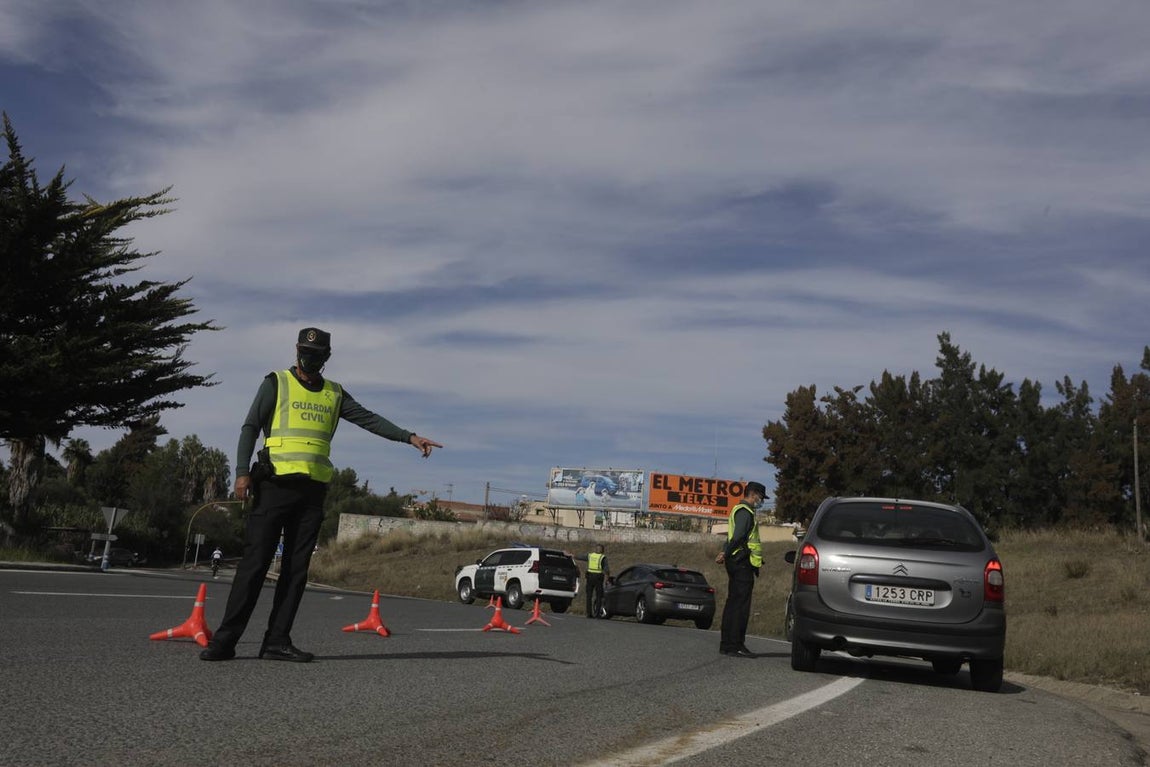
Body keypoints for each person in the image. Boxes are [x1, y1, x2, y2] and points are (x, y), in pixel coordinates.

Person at [200, 327, 442, 662]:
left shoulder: (334, 393)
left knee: (296, 570)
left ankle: (276, 642)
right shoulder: (276, 383)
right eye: (304, 351)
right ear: (296, 350)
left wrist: (409, 436)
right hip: (274, 486)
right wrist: (242, 472)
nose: (309, 358)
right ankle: (224, 641)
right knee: (254, 566)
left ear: (326, 358)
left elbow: (369, 419)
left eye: (316, 354)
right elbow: (250, 427)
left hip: (312, 492)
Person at [715, 481, 767, 657]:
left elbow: (731, 536)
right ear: (753, 494)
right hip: (742, 562)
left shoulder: (738, 510)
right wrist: (726, 552)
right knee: (740, 605)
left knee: (732, 603)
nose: (761, 501)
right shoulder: (745, 512)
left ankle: (727, 644)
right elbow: (737, 537)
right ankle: (735, 644)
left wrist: (724, 552)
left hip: (736, 561)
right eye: (761, 497)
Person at [573, 544, 609, 618]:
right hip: (598, 578)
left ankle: (589, 613)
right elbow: (607, 570)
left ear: (595, 549)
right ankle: (597, 613)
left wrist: (572, 555)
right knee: (599, 596)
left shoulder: (590, 556)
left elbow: (580, 557)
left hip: (590, 578)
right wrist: (606, 580)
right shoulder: (603, 558)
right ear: (602, 550)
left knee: (589, 596)